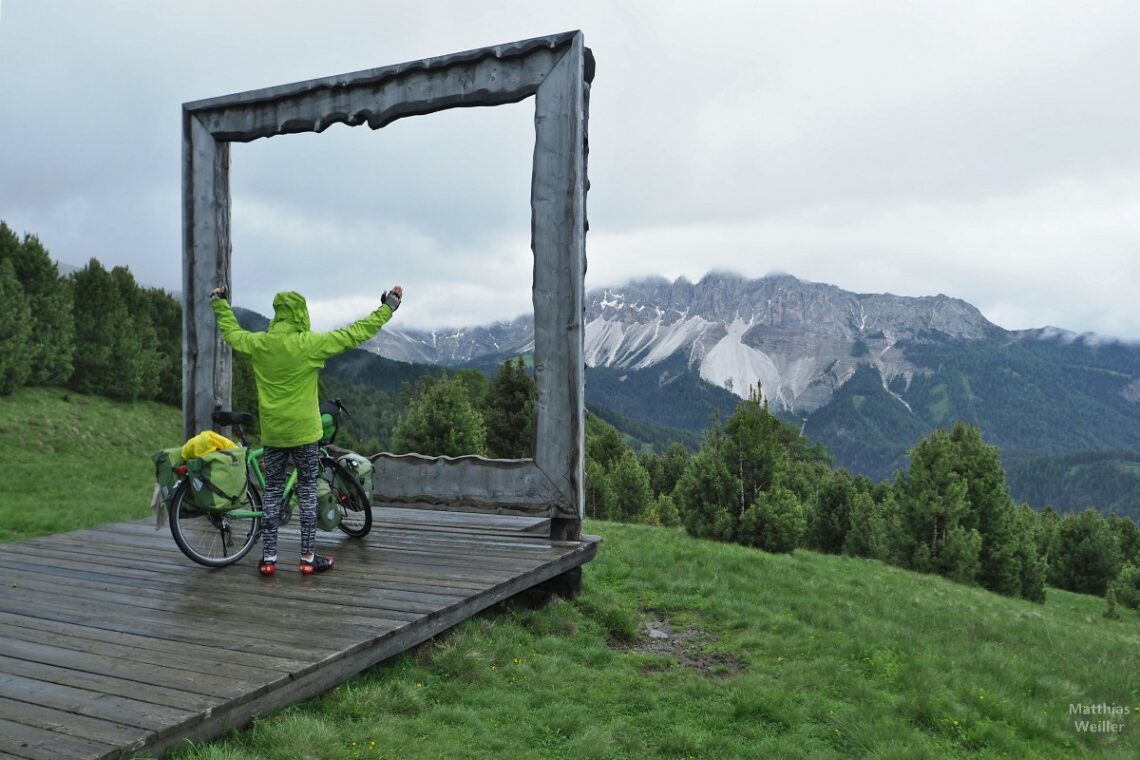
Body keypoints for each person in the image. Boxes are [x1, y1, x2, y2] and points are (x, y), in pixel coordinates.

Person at [209, 285, 403, 576]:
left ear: (277, 314)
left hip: (274, 434)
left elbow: (231, 332)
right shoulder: (309, 343)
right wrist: (388, 306)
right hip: (305, 435)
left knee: (272, 492)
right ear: (301, 313)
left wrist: (219, 303)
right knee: (308, 492)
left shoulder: (259, 344)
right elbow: (356, 333)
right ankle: (308, 558)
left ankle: (269, 559)